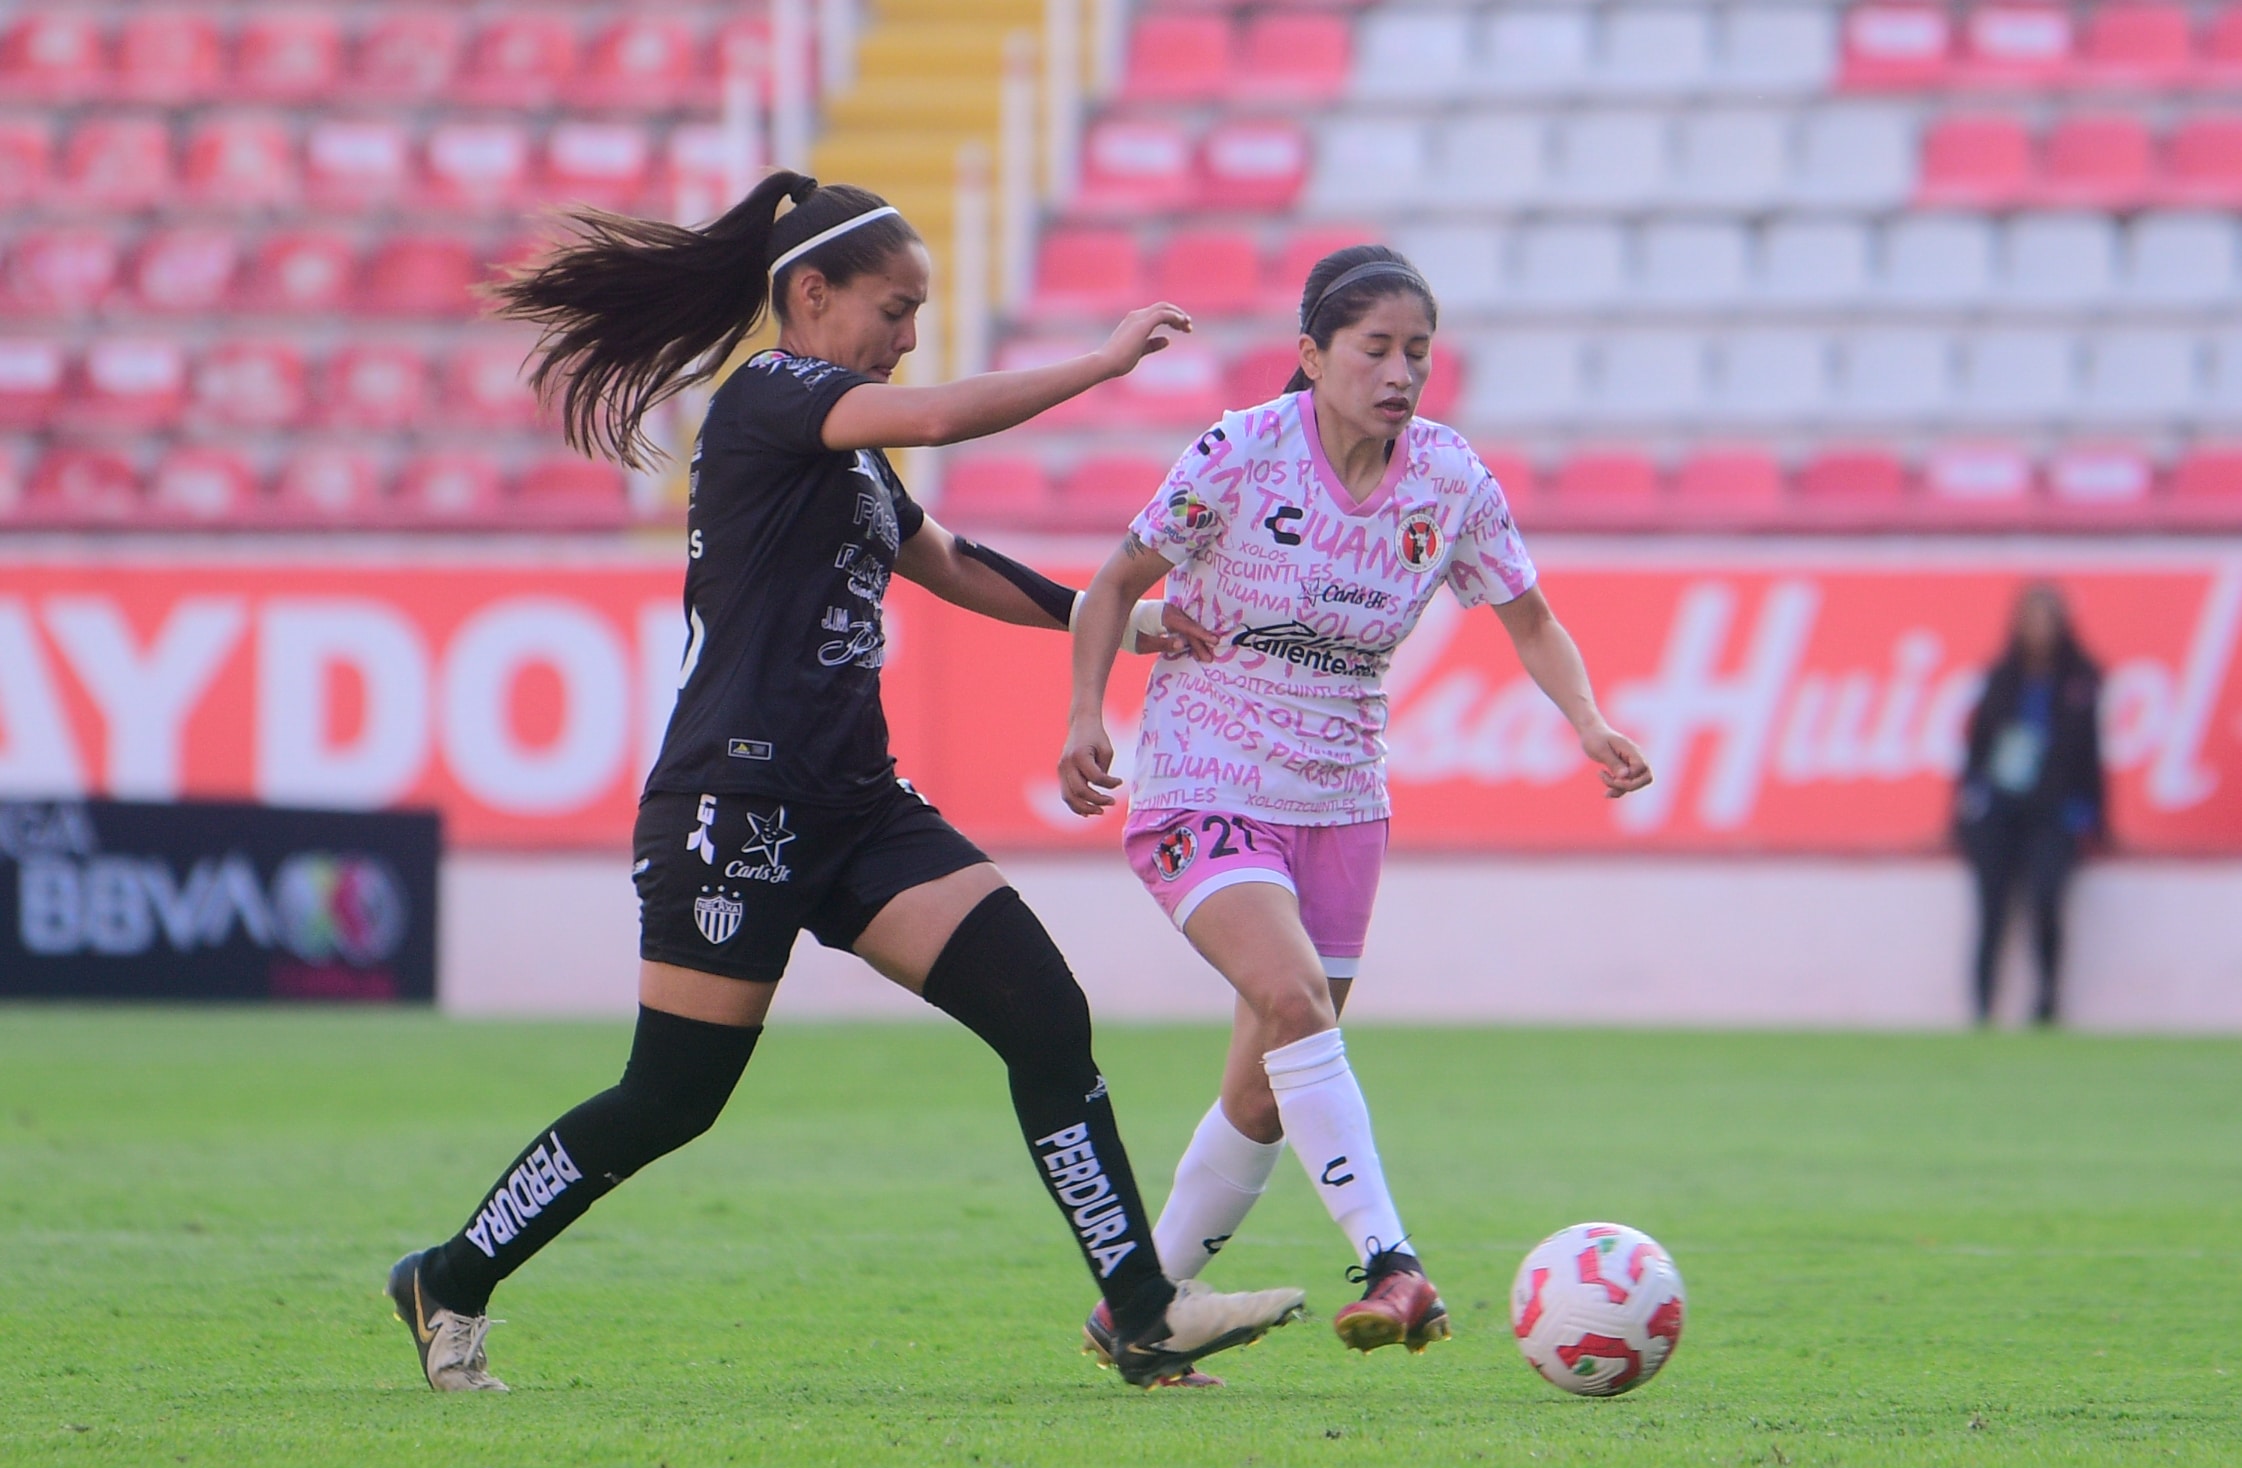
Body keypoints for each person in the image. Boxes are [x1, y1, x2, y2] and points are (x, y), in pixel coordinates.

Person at [385, 170, 1305, 1394]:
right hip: (734, 804)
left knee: (1042, 1013)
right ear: (809, 295)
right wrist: (1097, 364)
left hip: (859, 807)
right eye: (895, 307)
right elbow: (935, 417)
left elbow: (948, 559)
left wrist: (1110, 621)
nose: (909, 336)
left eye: (917, 315)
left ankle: (1142, 1313)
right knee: (671, 1097)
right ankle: (446, 1277)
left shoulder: (852, 454)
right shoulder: (769, 396)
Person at [1059, 245, 1653, 1378]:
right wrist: (1086, 712)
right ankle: (1389, 1256)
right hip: (1204, 775)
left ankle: (1133, 1316)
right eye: (1374, 349)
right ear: (1311, 356)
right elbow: (1116, 582)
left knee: (1267, 1084)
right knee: (1293, 1002)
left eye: (1416, 352)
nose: (1398, 373)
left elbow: (1526, 613)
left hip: (1339, 797)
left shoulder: (1447, 478)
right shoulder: (1238, 453)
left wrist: (1586, 719)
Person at [1955, 581, 2106, 1025]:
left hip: (2051, 812)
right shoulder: (2000, 680)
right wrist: (1970, 804)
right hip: (2000, 812)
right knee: (1991, 912)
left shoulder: (2079, 681)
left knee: (2045, 901)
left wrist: (2090, 814)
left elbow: (2091, 754)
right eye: (2030, 620)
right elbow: (1976, 748)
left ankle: (2047, 1002)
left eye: (2046, 620)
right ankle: (1982, 1009)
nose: (2038, 630)